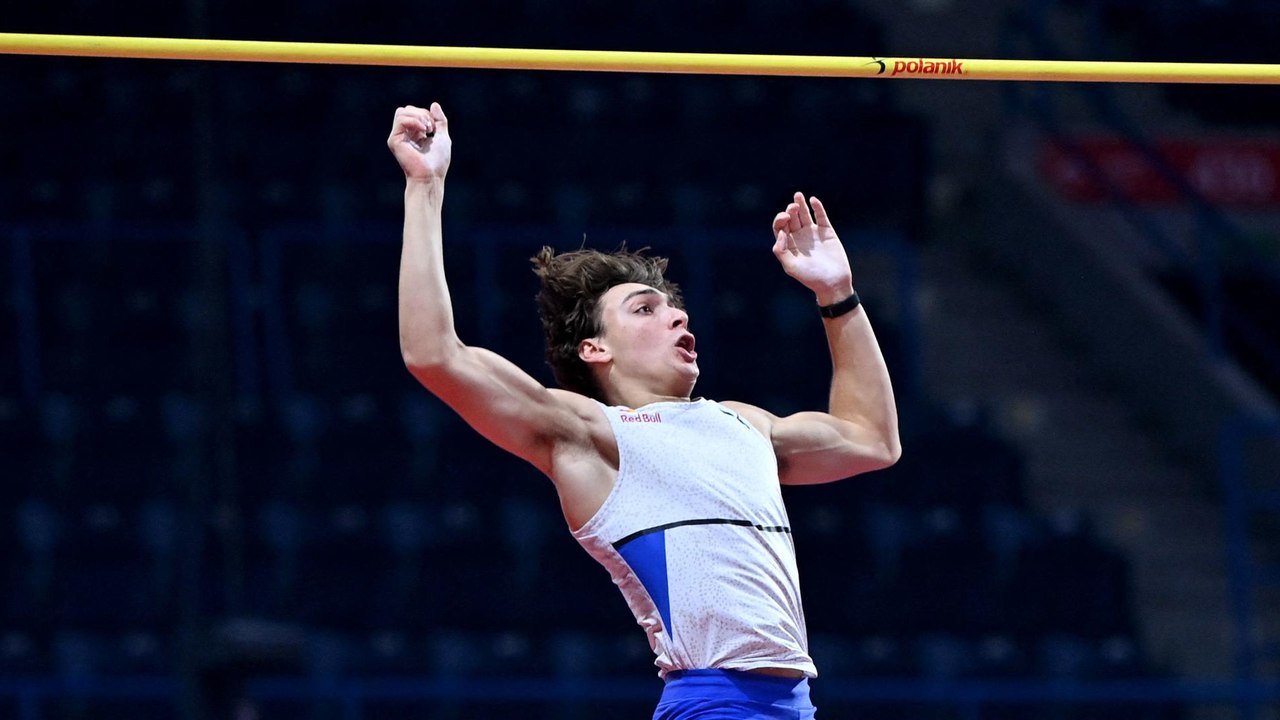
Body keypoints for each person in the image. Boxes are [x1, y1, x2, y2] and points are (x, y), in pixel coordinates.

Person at [389, 102, 900, 719]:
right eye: (644, 309)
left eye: (673, 307)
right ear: (594, 348)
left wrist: (836, 295)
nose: (677, 315)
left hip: (793, 706)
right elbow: (434, 354)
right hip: (713, 704)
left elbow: (872, 439)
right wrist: (426, 185)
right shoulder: (589, 435)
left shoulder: (745, 423)